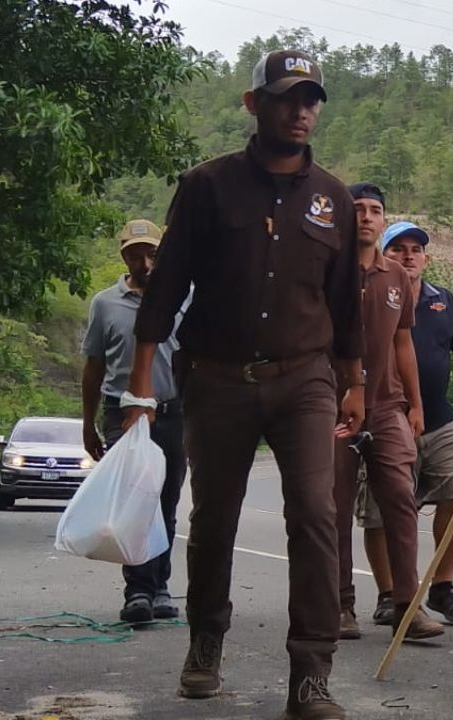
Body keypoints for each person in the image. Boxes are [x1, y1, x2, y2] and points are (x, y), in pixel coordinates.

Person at [125, 50, 363, 720]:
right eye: (287, 97)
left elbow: (345, 302)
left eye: (311, 99)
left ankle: (311, 676)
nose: (301, 110)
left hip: (307, 379)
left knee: (316, 514)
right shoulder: (207, 186)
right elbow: (166, 286)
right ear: (253, 103)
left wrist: (355, 383)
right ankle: (205, 642)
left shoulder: (334, 198)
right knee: (213, 519)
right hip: (219, 379)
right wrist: (140, 389)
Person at [359, 219, 453, 627]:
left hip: (438, 418)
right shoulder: (373, 292)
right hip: (384, 416)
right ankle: (389, 594)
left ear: (427, 258)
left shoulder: (443, 301)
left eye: (415, 249)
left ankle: (443, 586)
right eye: (398, 249)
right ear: (384, 256)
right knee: (381, 508)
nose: (408, 255)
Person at [333, 184, 439, 644]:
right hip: (332, 407)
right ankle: (339, 605)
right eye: (357, 210)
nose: (366, 218)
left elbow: (403, 343)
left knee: (401, 499)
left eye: (375, 211)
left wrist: (415, 404)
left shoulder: (396, 275)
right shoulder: (326, 271)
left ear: (383, 219)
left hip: (388, 406)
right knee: (332, 508)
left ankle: (406, 606)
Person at [81, 219, 187, 624]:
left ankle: (160, 586)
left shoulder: (185, 299)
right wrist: (86, 424)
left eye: (152, 254)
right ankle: (138, 591)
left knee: (166, 501)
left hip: (172, 411)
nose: (145, 262)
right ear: (123, 256)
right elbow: (93, 367)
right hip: (121, 413)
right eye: (135, 254)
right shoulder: (105, 303)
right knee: (133, 503)